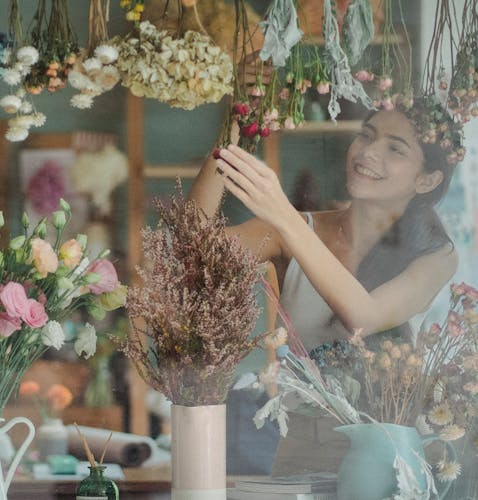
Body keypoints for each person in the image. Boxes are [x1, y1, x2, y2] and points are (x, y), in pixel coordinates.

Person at [189, 104, 460, 474]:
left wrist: (282, 214)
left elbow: (363, 317)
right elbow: (194, 252)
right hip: (300, 445)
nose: (368, 151)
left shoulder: (436, 255)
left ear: (426, 180)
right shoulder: (299, 229)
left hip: (386, 455)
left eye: (395, 148)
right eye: (367, 134)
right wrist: (234, 125)